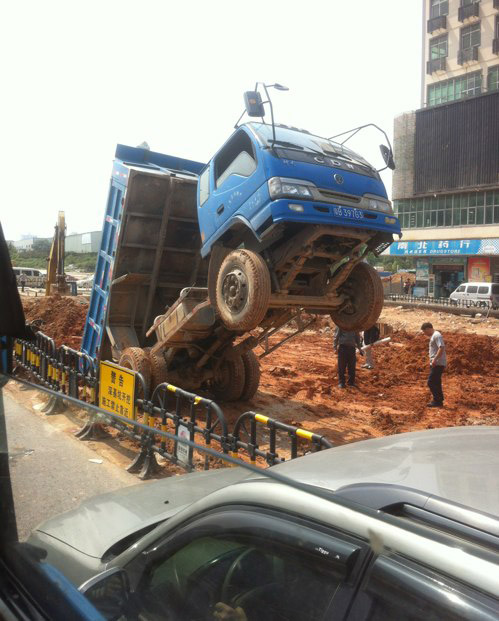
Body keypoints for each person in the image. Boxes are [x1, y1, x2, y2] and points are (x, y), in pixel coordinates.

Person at [421, 322, 447, 408]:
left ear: (428, 329)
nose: (425, 334)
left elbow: (441, 347)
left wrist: (435, 359)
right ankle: (440, 400)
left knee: (431, 382)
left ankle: (437, 400)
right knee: (436, 382)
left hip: (438, 363)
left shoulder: (437, 335)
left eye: (425, 332)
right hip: (437, 363)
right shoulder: (434, 335)